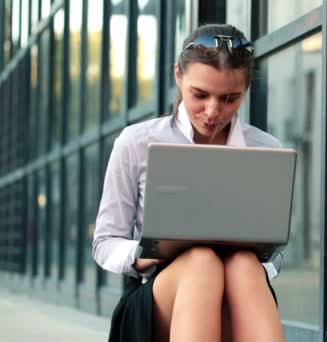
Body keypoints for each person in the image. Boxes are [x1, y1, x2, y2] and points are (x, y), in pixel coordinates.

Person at [92, 24, 285, 342]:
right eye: (200, 94)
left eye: (229, 98)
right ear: (178, 75)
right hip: (156, 300)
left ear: (245, 91)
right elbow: (104, 242)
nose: (213, 111)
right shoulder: (137, 142)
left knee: (244, 265)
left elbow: (275, 252)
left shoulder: (266, 149)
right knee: (201, 262)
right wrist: (147, 252)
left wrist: (246, 263)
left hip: (239, 290)